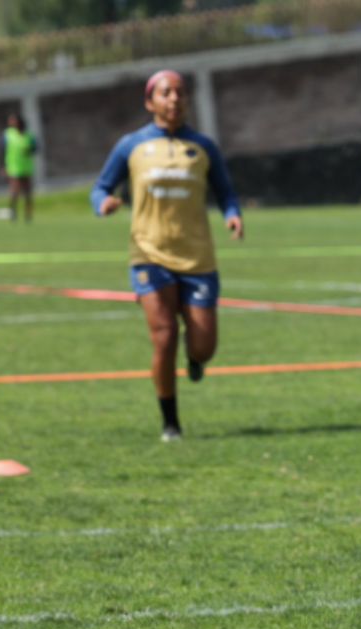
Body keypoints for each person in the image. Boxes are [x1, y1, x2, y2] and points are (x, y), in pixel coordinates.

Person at [90, 70, 244, 441]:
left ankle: (195, 360)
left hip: (197, 258)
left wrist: (232, 214)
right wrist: (104, 204)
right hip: (149, 254)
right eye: (165, 93)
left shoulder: (203, 147)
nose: (173, 99)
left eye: (179, 92)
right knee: (163, 337)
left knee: (204, 346)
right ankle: (170, 423)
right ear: (150, 101)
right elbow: (100, 187)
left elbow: (225, 191)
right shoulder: (132, 146)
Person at [0, 111, 38, 222]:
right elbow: (2, 151)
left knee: (28, 192)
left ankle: (28, 215)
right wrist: (3, 166)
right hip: (13, 167)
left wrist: (28, 150)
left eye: (13, 120)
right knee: (14, 191)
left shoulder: (29, 135)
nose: (11, 123)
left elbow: (35, 148)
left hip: (26, 166)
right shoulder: (7, 134)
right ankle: (13, 213)